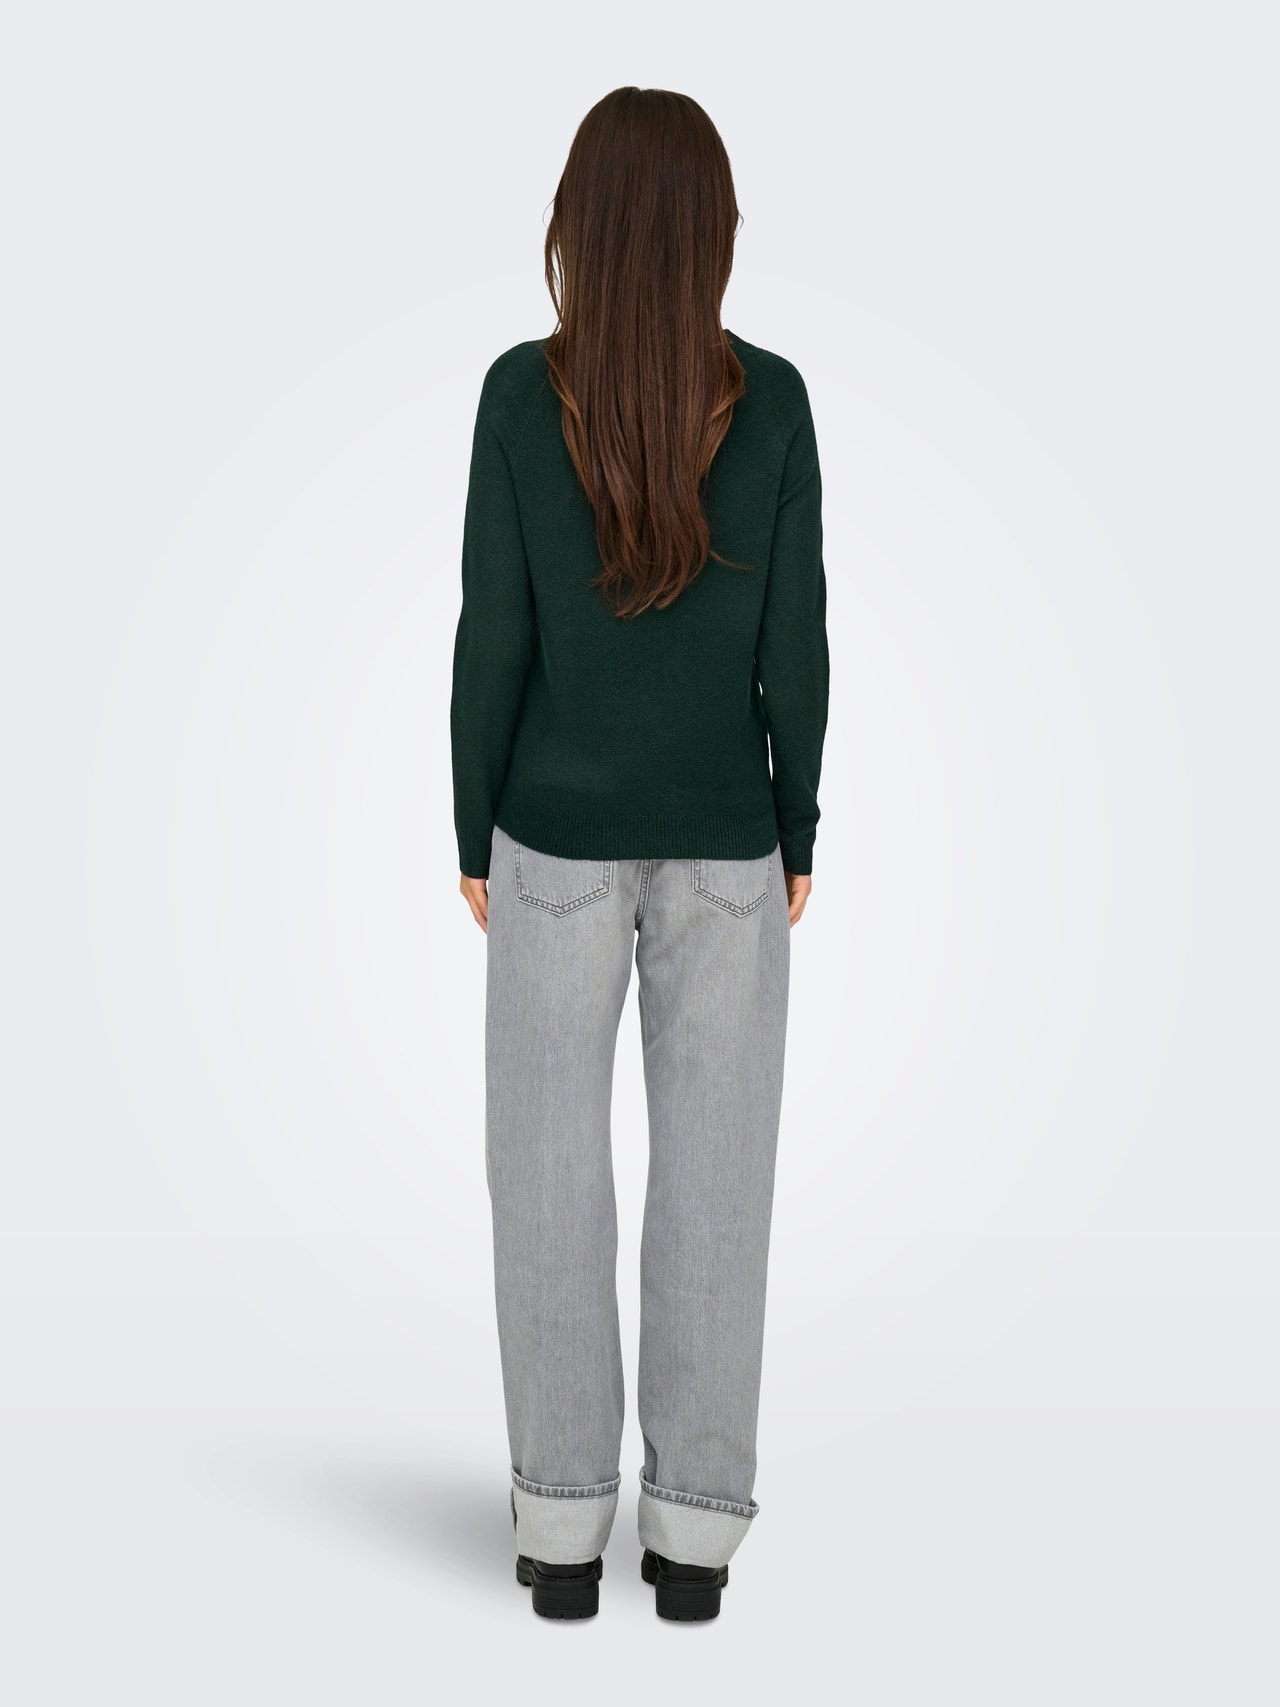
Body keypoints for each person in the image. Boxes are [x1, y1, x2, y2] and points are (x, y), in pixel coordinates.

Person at [450, 85, 829, 1623]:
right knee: (718, 1191)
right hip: (727, 846)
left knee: (545, 1179)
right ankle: (692, 1548)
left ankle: (558, 1537)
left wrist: (470, 825)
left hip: (550, 838)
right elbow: (796, 645)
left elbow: (494, 636)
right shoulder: (776, 402)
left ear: (578, 229)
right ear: (713, 235)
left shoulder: (516, 396)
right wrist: (797, 823)